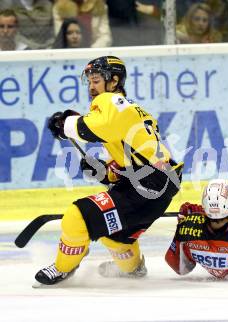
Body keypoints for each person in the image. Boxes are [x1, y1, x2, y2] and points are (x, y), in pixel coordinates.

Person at [34, 55, 183, 286]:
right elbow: (127, 166)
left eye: (96, 80)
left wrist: (65, 124)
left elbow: (99, 127)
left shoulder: (111, 101)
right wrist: (102, 172)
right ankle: (133, 268)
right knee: (116, 237)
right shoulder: (130, 111)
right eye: (90, 82)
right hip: (158, 184)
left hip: (149, 184)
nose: (91, 88)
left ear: (113, 81)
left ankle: (64, 267)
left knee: (77, 216)